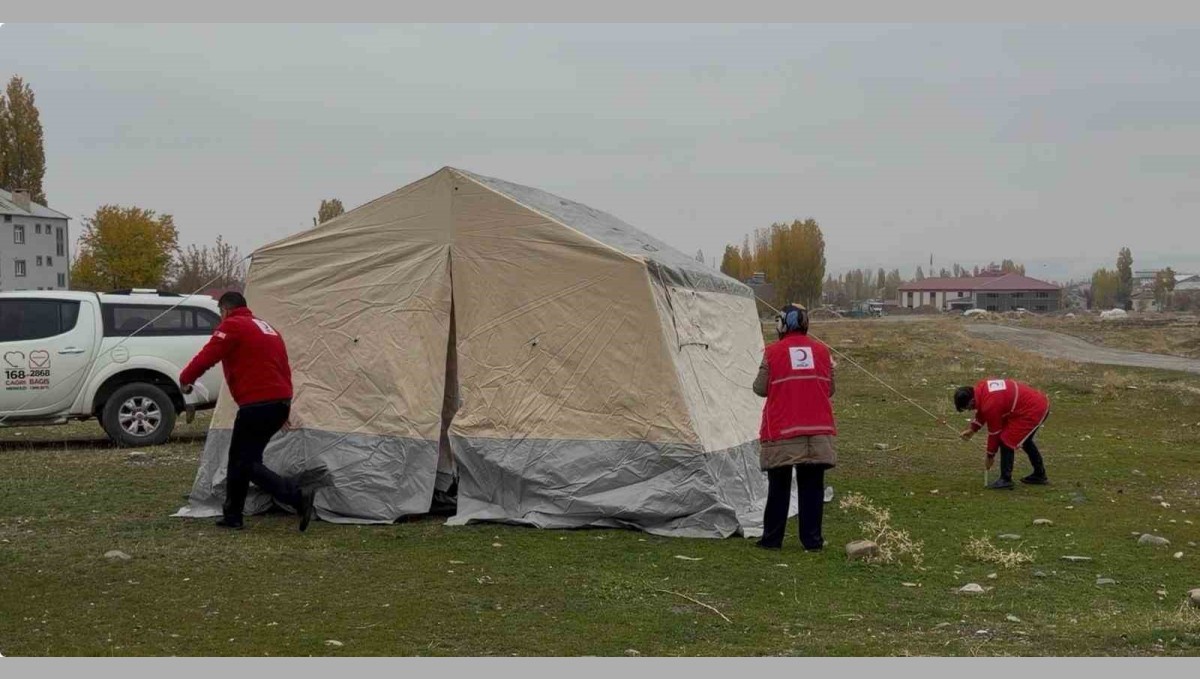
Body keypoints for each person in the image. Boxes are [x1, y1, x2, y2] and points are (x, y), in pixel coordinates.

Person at [180, 291, 322, 531]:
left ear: (224, 310)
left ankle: (296, 496)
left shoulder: (233, 325)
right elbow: (282, 366)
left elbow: (208, 356)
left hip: (258, 404)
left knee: (242, 462)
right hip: (278, 401)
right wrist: (284, 405)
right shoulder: (266, 327)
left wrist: (185, 378)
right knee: (243, 460)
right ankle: (233, 515)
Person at [753, 303, 837, 551]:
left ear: (783, 324)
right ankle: (812, 541)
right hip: (817, 429)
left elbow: (760, 388)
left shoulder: (773, 352)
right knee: (812, 488)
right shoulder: (823, 352)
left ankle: (772, 539)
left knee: (778, 487)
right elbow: (830, 389)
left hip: (783, 429)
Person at [954, 378, 1050, 490]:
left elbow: (994, 433)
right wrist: (972, 430)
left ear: (971, 401)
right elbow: (982, 411)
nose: (970, 410)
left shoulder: (991, 403)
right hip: (1034, 405)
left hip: (1032, 410)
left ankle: (1006, 479)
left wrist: (990, 456)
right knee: (1026, 441)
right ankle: (1039, 474)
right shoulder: (981, 389)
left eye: (967, 408)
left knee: (1006, 440)